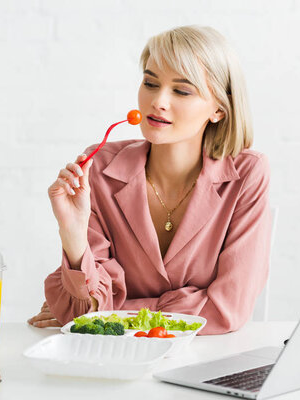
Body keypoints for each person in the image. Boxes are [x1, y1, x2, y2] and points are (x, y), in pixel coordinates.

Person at [27, 25, 273, 335]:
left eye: (181, 90)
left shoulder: (247, 174)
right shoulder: (100, 166)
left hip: (206, 357)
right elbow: (83, 310)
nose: (158, 101)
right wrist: (73, 236)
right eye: (150, 83)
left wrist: (115, 311)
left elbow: (228, 310)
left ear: (219, 111)